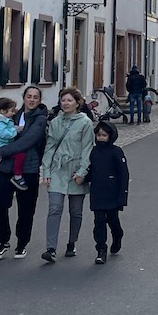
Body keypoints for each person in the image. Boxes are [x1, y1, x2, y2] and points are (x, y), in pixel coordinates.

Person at [0, 86, 48, 259]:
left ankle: (21, 243)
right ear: (24, 98)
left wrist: (2, 152)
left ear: (39, 100)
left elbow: (27, 141)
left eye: (35, 97)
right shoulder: (12, 115)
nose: (32, 100)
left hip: (28, 169)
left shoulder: (40, 119)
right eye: (29, 96)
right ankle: (3, 241)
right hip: (6, 169)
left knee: (26, 209)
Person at [41, 88, 94, 262]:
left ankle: (72, 242)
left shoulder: (85, 122)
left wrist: (82, 172)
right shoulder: (56, 122)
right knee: (54, 208)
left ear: (77, 103)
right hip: (58, 170)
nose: (65, 103)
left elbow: (88, 149)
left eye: (69, 100)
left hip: (75, 171)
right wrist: (46, 171)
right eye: (63, 100)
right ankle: (51, 248)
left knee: (75, 211)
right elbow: (49, 147)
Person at [86, 120, 130, 264]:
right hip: (97, 192)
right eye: (99, 135)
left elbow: (123, 174)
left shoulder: (116, 152)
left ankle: (117, 235)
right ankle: (101, 249)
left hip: (112, 192)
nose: (101, 138)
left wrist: (122, 195)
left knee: (112, 220)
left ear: (110, 136)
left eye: (104, 135)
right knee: (99, 221)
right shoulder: (94, 152)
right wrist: (83, 177)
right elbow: (92, 170)